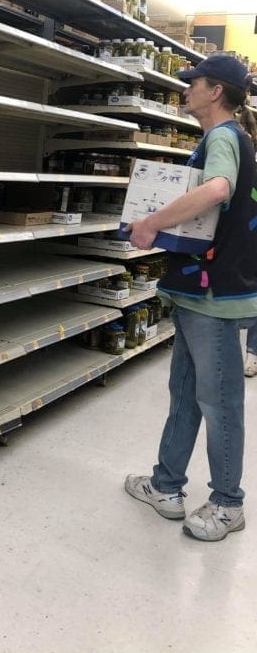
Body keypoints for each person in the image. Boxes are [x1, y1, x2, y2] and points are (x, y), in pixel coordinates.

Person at [123, 53, 257, 541]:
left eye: (192, 82)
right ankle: (166, 485)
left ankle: (227, 503)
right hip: (198, 293)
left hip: (215, 295)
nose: (184, 90)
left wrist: (153, 221)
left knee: (219, 402)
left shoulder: (223, 138)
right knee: (185, 394)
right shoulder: (220, 138)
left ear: (215, 90)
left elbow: (217, 189)